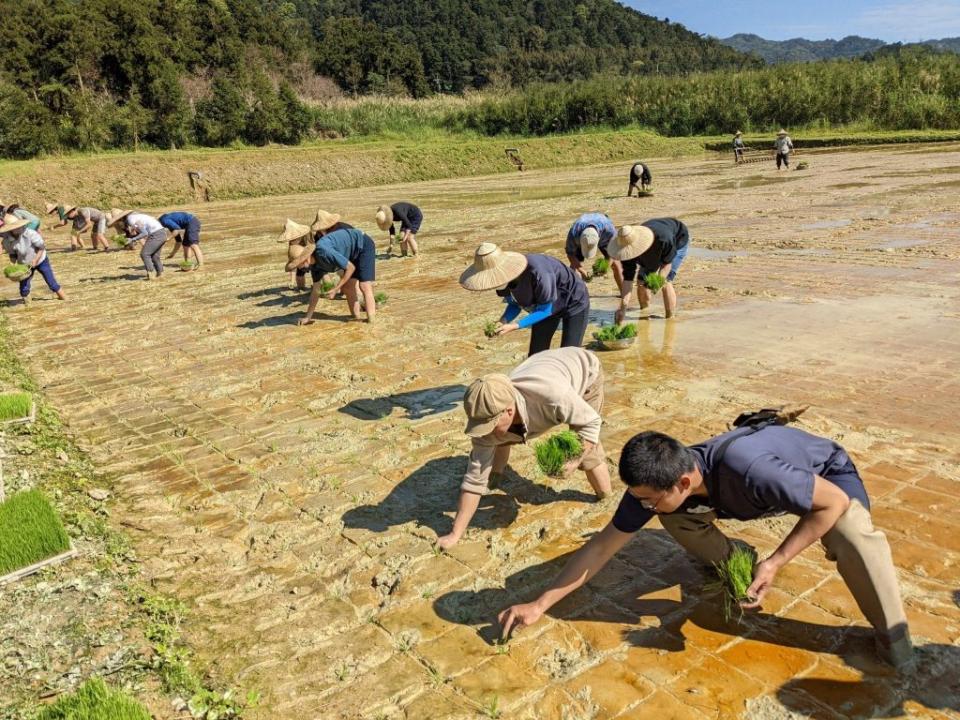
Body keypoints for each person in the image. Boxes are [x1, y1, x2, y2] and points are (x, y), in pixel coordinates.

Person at [497, 423, 914, 669]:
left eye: (649, 499)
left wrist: (775, 562)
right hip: (749, 494)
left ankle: (896, 642)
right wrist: (539, 605)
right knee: (672, 515)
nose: (643, 506)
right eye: (639, 497)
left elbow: (832, 503)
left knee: (850, 533)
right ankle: (736, 558)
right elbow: (601, 548)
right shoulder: (656, 484)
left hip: (823, 478)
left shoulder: (750, 471)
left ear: (682, 482)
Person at [437, 347, 611, 550]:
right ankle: (497, 475)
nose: (485, 433)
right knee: (500, 438)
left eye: (490, 424)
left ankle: (604, 495)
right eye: (480, 426)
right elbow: (473, 480)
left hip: (585, 372)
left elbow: (591, 422)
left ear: (509, 411)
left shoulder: (553, 397)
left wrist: (574, 461)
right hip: (543, 367)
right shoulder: (487, 419)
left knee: (584, 446)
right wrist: (455, 534)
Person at [460, 243, 590, 357]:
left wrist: (516, 326)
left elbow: (545, 310)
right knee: (535, 356)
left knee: (569, 355)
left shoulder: (539, 273)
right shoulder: (501, 281)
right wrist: (503, 320)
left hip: (573, 301)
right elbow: (514, 304)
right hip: (543, 304)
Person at [286, 222, 377, 324]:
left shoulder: (323, 251)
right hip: (351, 251)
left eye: (298, 264)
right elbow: (315, 291)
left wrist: (336, 289)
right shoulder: (315, 267)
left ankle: (371, 321)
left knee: (364, 285)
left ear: (305, 260)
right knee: (347, 287)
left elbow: (350, 268)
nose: (298, 267)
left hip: (363, 244)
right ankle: (356, 318)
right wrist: (308, 317)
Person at [610, 219, 690, 322]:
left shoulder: (663, 239)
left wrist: (657, 281)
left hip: (678, 239)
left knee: (665, 282)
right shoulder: (626, 251)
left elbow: (666, 265)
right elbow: (628, 280)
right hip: (652, 248)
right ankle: (644, 313)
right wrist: (622, 308)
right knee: (641, 281)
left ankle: (670, 318)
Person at [0, 213, 66, 305]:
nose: (17, 228)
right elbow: (13, 254)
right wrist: (13, 264)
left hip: (41, 260)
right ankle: (27, 303)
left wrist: (35, 260)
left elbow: (41, 247)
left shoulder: (30, 233)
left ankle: (65, 299)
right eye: (14, 228)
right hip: (24, 264)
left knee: (51, 282)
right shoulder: (7, 240)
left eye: (18, 226)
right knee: (24, 287)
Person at [277, 209, 351, 290]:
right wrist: (292, 280)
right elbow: (293, 260)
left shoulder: (310, 236)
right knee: (300, 274)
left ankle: (331, 289)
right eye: (290, 239)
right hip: (305, 259)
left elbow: (315, 246)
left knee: (326, 272)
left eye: (293, 238)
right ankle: (302, 289)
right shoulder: (293, 244)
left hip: (315, 257)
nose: (291, 240)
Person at [564, 212, 623, 293]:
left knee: (616, 264)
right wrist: (582, 270)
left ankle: (624, 293)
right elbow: (570, 254)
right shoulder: (574, 232)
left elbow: (614, 252)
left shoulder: (609, 230)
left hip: (603, 235)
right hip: (580, 235)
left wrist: (606, 266)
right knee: (573, 270)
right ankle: (572, 294)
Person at [108, 209, 167, 279]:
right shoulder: (134, 217)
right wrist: (132, 237)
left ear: (121, 219)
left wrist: (132, 239)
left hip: (156, 234)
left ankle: (151, 274)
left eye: (117, 221)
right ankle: (161, 274)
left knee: (144, 254)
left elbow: (144, 233)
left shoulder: (131, 219)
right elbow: (140, 231)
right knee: (154, 256)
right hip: (161, 233)